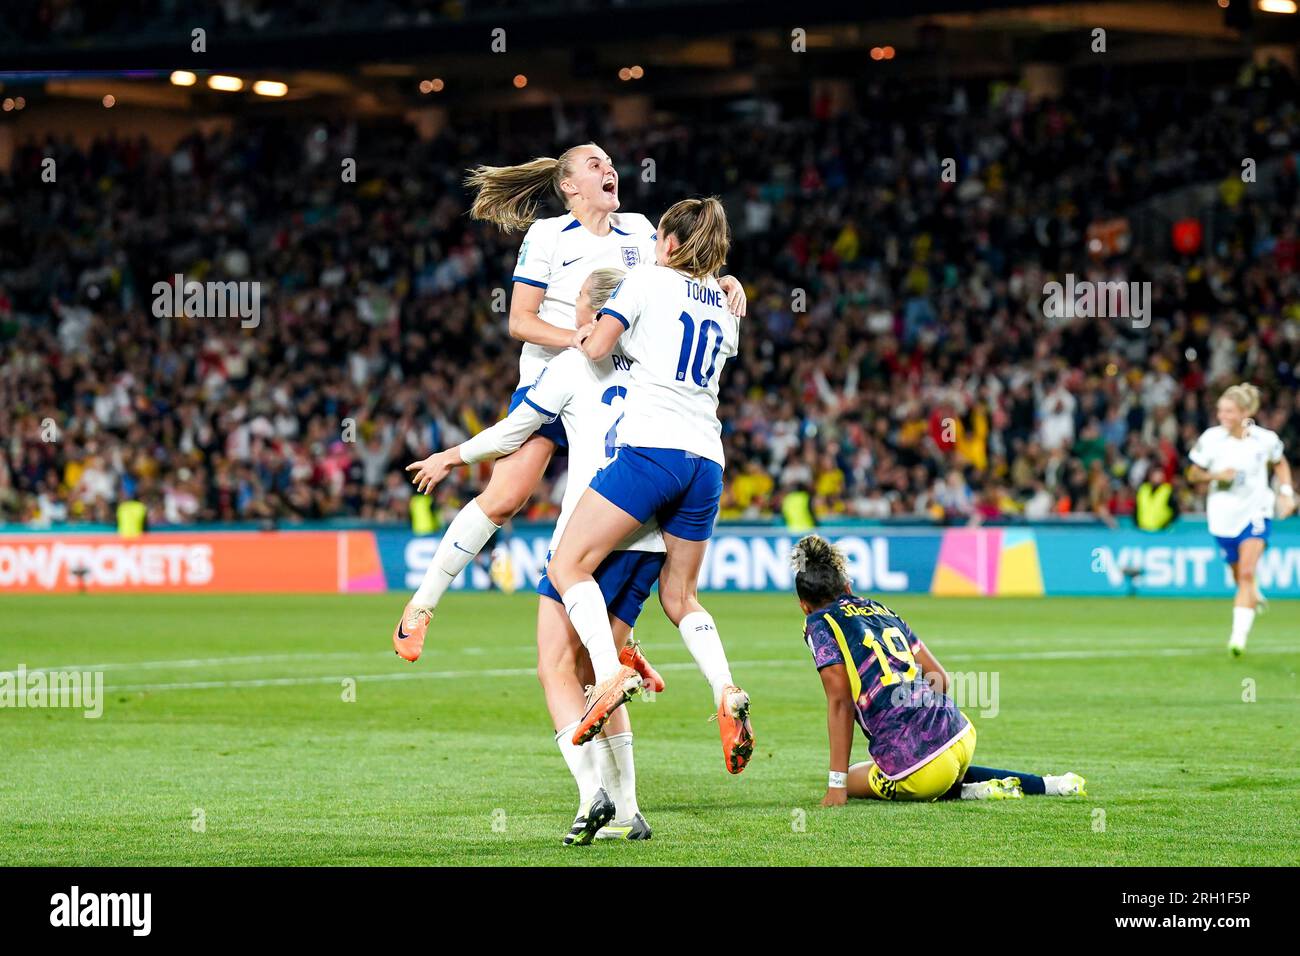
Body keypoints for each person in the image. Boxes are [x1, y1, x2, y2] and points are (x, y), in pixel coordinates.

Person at [391, 144, 746, 662]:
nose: (610, 170)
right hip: (558, 379)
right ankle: (422, 605)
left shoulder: (640, 230)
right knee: (506, 497)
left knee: (617, 512)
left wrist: (726, 281)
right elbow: (520, 321)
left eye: (611, 164)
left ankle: (618, 640)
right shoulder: (548, 236)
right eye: (595, 165)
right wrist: (582, 338)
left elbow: (680, 276)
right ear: (569, 186)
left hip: (621, 387)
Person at [407, 268, 663, 845]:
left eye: (575, 305)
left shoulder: (569, 366)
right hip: (648, 537)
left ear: (597, 312)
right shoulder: (657, 366)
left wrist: (452, 455)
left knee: (554, 666)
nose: (569, 316)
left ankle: (589, 796)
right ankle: (629, 812)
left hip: (589, 530)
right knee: (601, 668)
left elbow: (512, 433)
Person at [546, 197, 754, 775]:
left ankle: (608, 671)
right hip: (706, 461)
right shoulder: (726, 308)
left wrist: (583, 331)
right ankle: (726, 688)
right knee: (679, 596)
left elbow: (597, 347)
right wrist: (730, 283)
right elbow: (708, 314)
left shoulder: (643, 282)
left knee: (568, 565)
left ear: (668, 243)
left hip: (652, 450)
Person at [792, 535, 1086, 805]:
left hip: (924, 770)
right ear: (848, 588)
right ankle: (1050, 784)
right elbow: (941, 680)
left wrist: (837, 786)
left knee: (860, 776)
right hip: (960, 733)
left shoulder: (818, 623)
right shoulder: (883, 610)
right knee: (936, 759)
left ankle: (968, 791)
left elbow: (841, 703)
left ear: (804, 606)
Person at [1187, 383, 1295, 655]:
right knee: (1240, 576)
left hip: (1256, 511)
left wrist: (1286, 492)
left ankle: (1238, 639)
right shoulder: (1211, 439)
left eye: (1229, 411)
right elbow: (1192, 475)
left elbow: (1280, 462)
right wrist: (1215, 476)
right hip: (1222, 516)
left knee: (1247, 572)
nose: (1222, 416)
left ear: (1245, 412)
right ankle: (1250, 593)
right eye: (1221, 410)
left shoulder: (1265, 439)